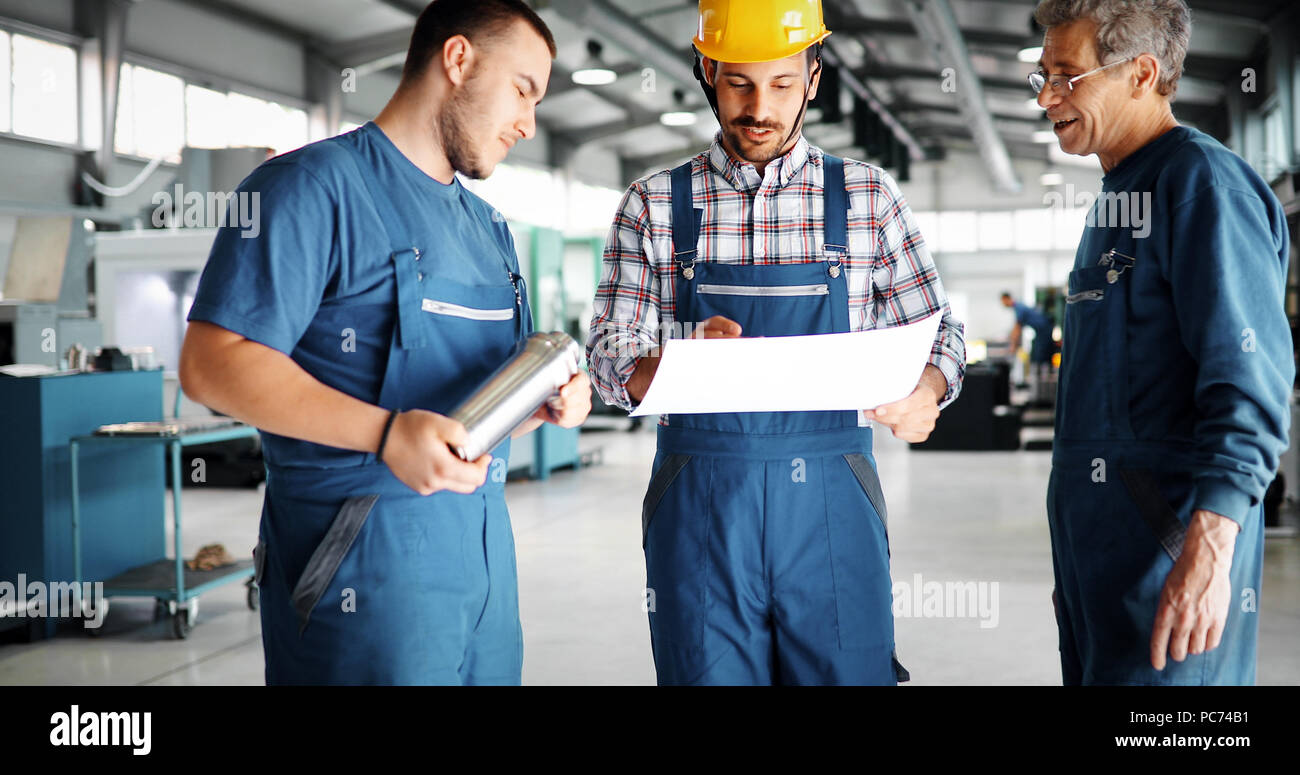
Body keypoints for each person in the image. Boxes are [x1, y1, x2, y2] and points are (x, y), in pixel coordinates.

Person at [178, 0, 590, 685]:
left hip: (484, 576)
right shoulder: (309, 190)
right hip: (359, 579)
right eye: (523, 90)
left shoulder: (489, 228)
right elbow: (211, 363)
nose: (528, 123)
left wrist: (545, 396)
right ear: (457, 60)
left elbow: (483, 379)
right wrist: (385, 433)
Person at [586, 0, 965, 685]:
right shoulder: (652, 204)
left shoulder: (868, 198)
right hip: (701, 507)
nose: (759, 107)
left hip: (831, 506)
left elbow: (942, 335)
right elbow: (610, 353)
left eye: (782, 84)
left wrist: (927, 391)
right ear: (706, 69)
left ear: (814, 78)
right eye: (738, 83)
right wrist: (675, 358)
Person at [1033, 0, 1291, 685]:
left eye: (1067, 76)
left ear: (1141, 74)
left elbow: (1249, 381)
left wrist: (1209, 548)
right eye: (1042, 77)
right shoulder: (1115, 197)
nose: (1048, 97)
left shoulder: (1202, 186)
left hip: (1169, 565)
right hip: (1102, 571)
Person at [1001, 291, 1055, 400]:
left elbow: (1017, 328)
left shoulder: (1019, 308)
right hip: (1041, 332)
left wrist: (1012, 346)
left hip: (1044, 331)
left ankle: (1043, 394)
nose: (1003, 304)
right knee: (1036, 356)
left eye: (1003, 301)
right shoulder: (1019, 307)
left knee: (1040, 358)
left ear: (1007, 299)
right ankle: (1040, 392)